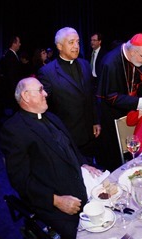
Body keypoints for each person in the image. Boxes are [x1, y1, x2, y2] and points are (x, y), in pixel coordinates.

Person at [0, 77, 102, 239]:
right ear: (26, 96)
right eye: (40, 90)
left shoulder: (52, 117)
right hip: (56, 200)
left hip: (81, 183)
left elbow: (70, 146)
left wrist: (83, 164)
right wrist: (56, 200)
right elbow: (21, 181)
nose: (45, 93)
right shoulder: (13, 130)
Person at [37, 27, 101, 166]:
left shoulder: (85, 65)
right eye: (71, 42)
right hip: (67, 136)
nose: (76, 46)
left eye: (77, 42)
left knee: (93, 170)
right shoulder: (47, 72)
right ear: (59, 46)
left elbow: (91, 96)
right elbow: (44, 109)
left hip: (89, 133)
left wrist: (96, 120)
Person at [96, 33, 142, 171]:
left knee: (132, 149)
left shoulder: (137, 58)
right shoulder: (110, 62)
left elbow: (139, 83)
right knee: (115, 156)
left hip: (131, 111)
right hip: (112, 116)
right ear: (133, 51)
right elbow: (111, 96)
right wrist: (141, 102)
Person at [0, 35, 24, 112]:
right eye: (19, 42)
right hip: (13, 89)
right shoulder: (10, 56)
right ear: (14, 43)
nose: (20, 44)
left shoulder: (12, 55)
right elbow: (11, 75)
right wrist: (16, 90)